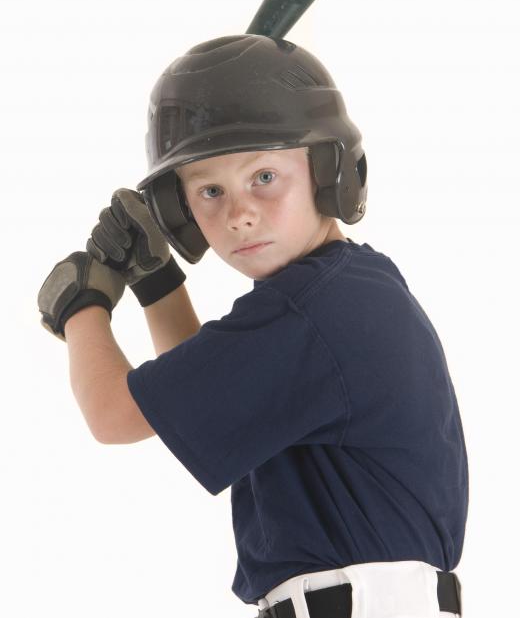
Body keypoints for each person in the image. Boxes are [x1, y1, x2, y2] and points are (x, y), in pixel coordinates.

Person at [38, 34, 467, 618]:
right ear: (180, 212)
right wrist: (156, 282)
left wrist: (80, 304)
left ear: (326, 171)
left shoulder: (313, 309)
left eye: (263, 176)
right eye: (210, 190)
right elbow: (202, 398)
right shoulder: (345, 291)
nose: (238, 213)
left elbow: (113, 417)